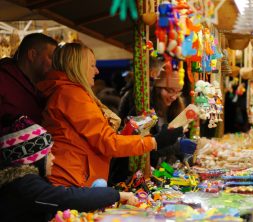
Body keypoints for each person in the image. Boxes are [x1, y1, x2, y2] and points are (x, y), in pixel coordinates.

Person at [36, 43, 182, 187]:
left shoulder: (69, 93)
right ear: (78, 67)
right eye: (92, 65)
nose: (97, 71)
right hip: (71, 180)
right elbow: (108, 143)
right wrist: (155, 142)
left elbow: (101, 138)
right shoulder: (72, 95)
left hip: (74, 177)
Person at [0, 115, 139, 222]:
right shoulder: (25, 185)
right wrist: (116, 195)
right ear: (35, 159)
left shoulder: (23, 181)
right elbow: (66, 198)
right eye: (48, 154)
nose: (53, 158)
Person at [109, 62, 197, 183]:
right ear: (156, 88)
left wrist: (184, 155)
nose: (174, 97)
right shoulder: (143, 107)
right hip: (129, 177)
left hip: (156, 173)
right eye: (170, 90)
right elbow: (141, 148)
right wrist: (177, 146)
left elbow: (173, 136)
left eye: (178, 92)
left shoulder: (174, 107)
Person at [0, 33, 57, 127]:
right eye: (51, 58)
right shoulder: (3, 79)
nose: (55, 64)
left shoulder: (43, 87)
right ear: (32, 55)